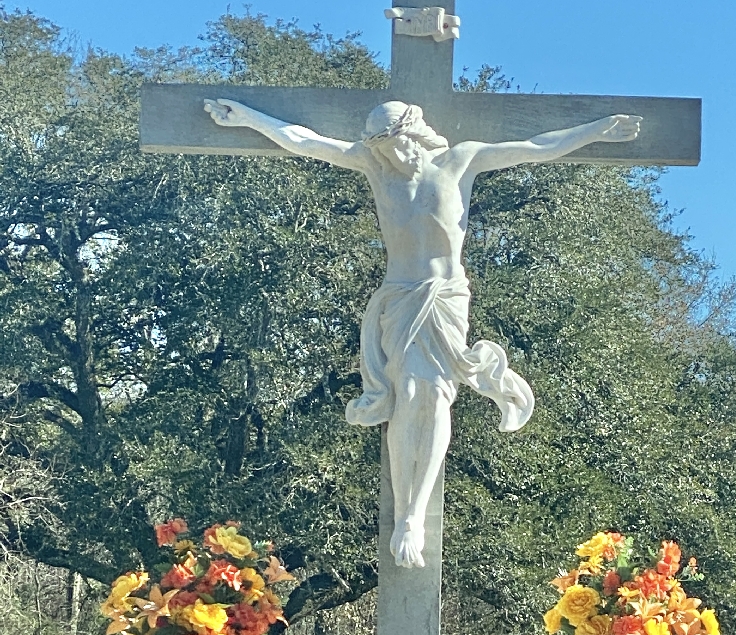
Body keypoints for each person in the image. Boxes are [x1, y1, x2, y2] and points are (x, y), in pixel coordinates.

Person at [205, 97, 641, 567]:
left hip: (444, 297)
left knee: (433, 397)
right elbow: (304, 140)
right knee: (407, 393)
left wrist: (596, 130)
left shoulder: (461, 160)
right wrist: (250, 117)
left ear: (414, 133)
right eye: (381, 146)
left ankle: (414, 514)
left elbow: (538, 147)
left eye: (394, 143)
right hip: (400, 298)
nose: (390, 154)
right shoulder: (375, 166)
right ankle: (404, 516)